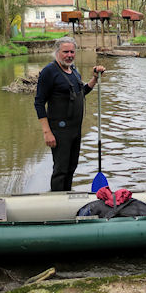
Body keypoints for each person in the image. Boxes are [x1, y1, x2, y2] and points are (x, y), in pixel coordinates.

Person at [34, 37, 105, 191]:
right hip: (59, 130)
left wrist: (94, 78)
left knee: (72, 166)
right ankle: (56, 202)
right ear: (57, 52)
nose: (69, 55)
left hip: (75, 130)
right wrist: (47, 132)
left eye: (72, 51)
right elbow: (39, 102)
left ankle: (66, 195)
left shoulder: (73, 71)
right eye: (65, 52)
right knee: (61, 169)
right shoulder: (49, 71)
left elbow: (81, 92)